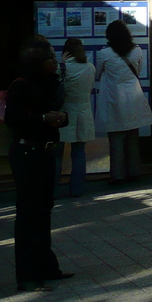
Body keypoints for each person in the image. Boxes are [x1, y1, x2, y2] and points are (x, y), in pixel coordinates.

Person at [5, 36, 71, 292]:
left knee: (44, 212)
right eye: (50, 58)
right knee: (29, 215)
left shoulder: (49, 84)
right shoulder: (21, 86)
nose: (55, 62)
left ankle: (47, 268)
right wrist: (45, 118)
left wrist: (60, 117)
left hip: (46, 153)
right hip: (27, 154)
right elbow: (14, 119)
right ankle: (28, 276)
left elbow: (58, 117)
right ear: (36, 60)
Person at [96, 21, 152, 185]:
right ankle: (135, 173)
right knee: (133, 139)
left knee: (115, 139)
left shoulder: (104, 53)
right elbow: (138, 70)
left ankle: (118, 176)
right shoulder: (136, 51)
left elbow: (98, 72)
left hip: (113, 99)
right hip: (133, 97)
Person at [59, 39, 96, 198]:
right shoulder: (90, 67)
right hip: (83, 111)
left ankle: (52, 189)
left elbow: (56, 87)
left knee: (56, 153)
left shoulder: (63, 67)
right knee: (79, 152)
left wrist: (61, 64)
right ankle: (77, 188)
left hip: (64, 112)